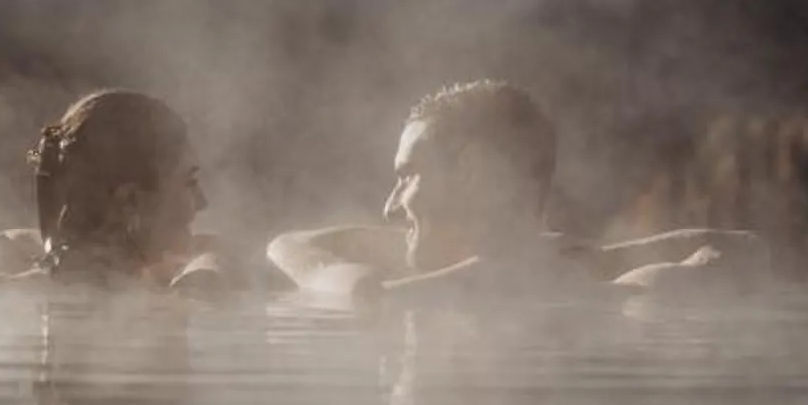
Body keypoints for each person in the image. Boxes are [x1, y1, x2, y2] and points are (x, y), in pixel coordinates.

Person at [265, 80, 762, 305]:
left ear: (474, 170)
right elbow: (290, 242)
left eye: (409, 174)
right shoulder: (574, 273)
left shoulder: (618, 295)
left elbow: (359, 296)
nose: (390, 205)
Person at [0, 90, 241, 300]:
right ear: (130, 201)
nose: (202, 203)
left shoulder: (189, 261)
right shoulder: (9, 254)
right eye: (188, 182)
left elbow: (217, 251)